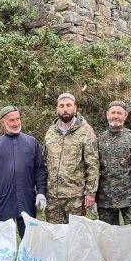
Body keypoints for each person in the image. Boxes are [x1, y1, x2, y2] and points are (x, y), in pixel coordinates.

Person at [0, 105, 47, 238]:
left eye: (18, 119)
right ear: (3, 122)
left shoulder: (32, 143)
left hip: (27, 199)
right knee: (4, 240)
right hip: (4, 199)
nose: (16, 123)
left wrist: (41, 192)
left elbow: (40, 171)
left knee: (29, 239)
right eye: (12, 120)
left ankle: (27, 259)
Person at [43, 92, 99, 224]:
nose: (65, 109)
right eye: (61, 106)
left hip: (75, 197)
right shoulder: (51, 132)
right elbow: (44, 162)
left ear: (75, 108)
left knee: (76, 237)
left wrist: (90, 193)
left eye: (68, 105)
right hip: (53, 197)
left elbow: (93, 164)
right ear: (57, 109)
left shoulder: (85, 130)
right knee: (55, 236)